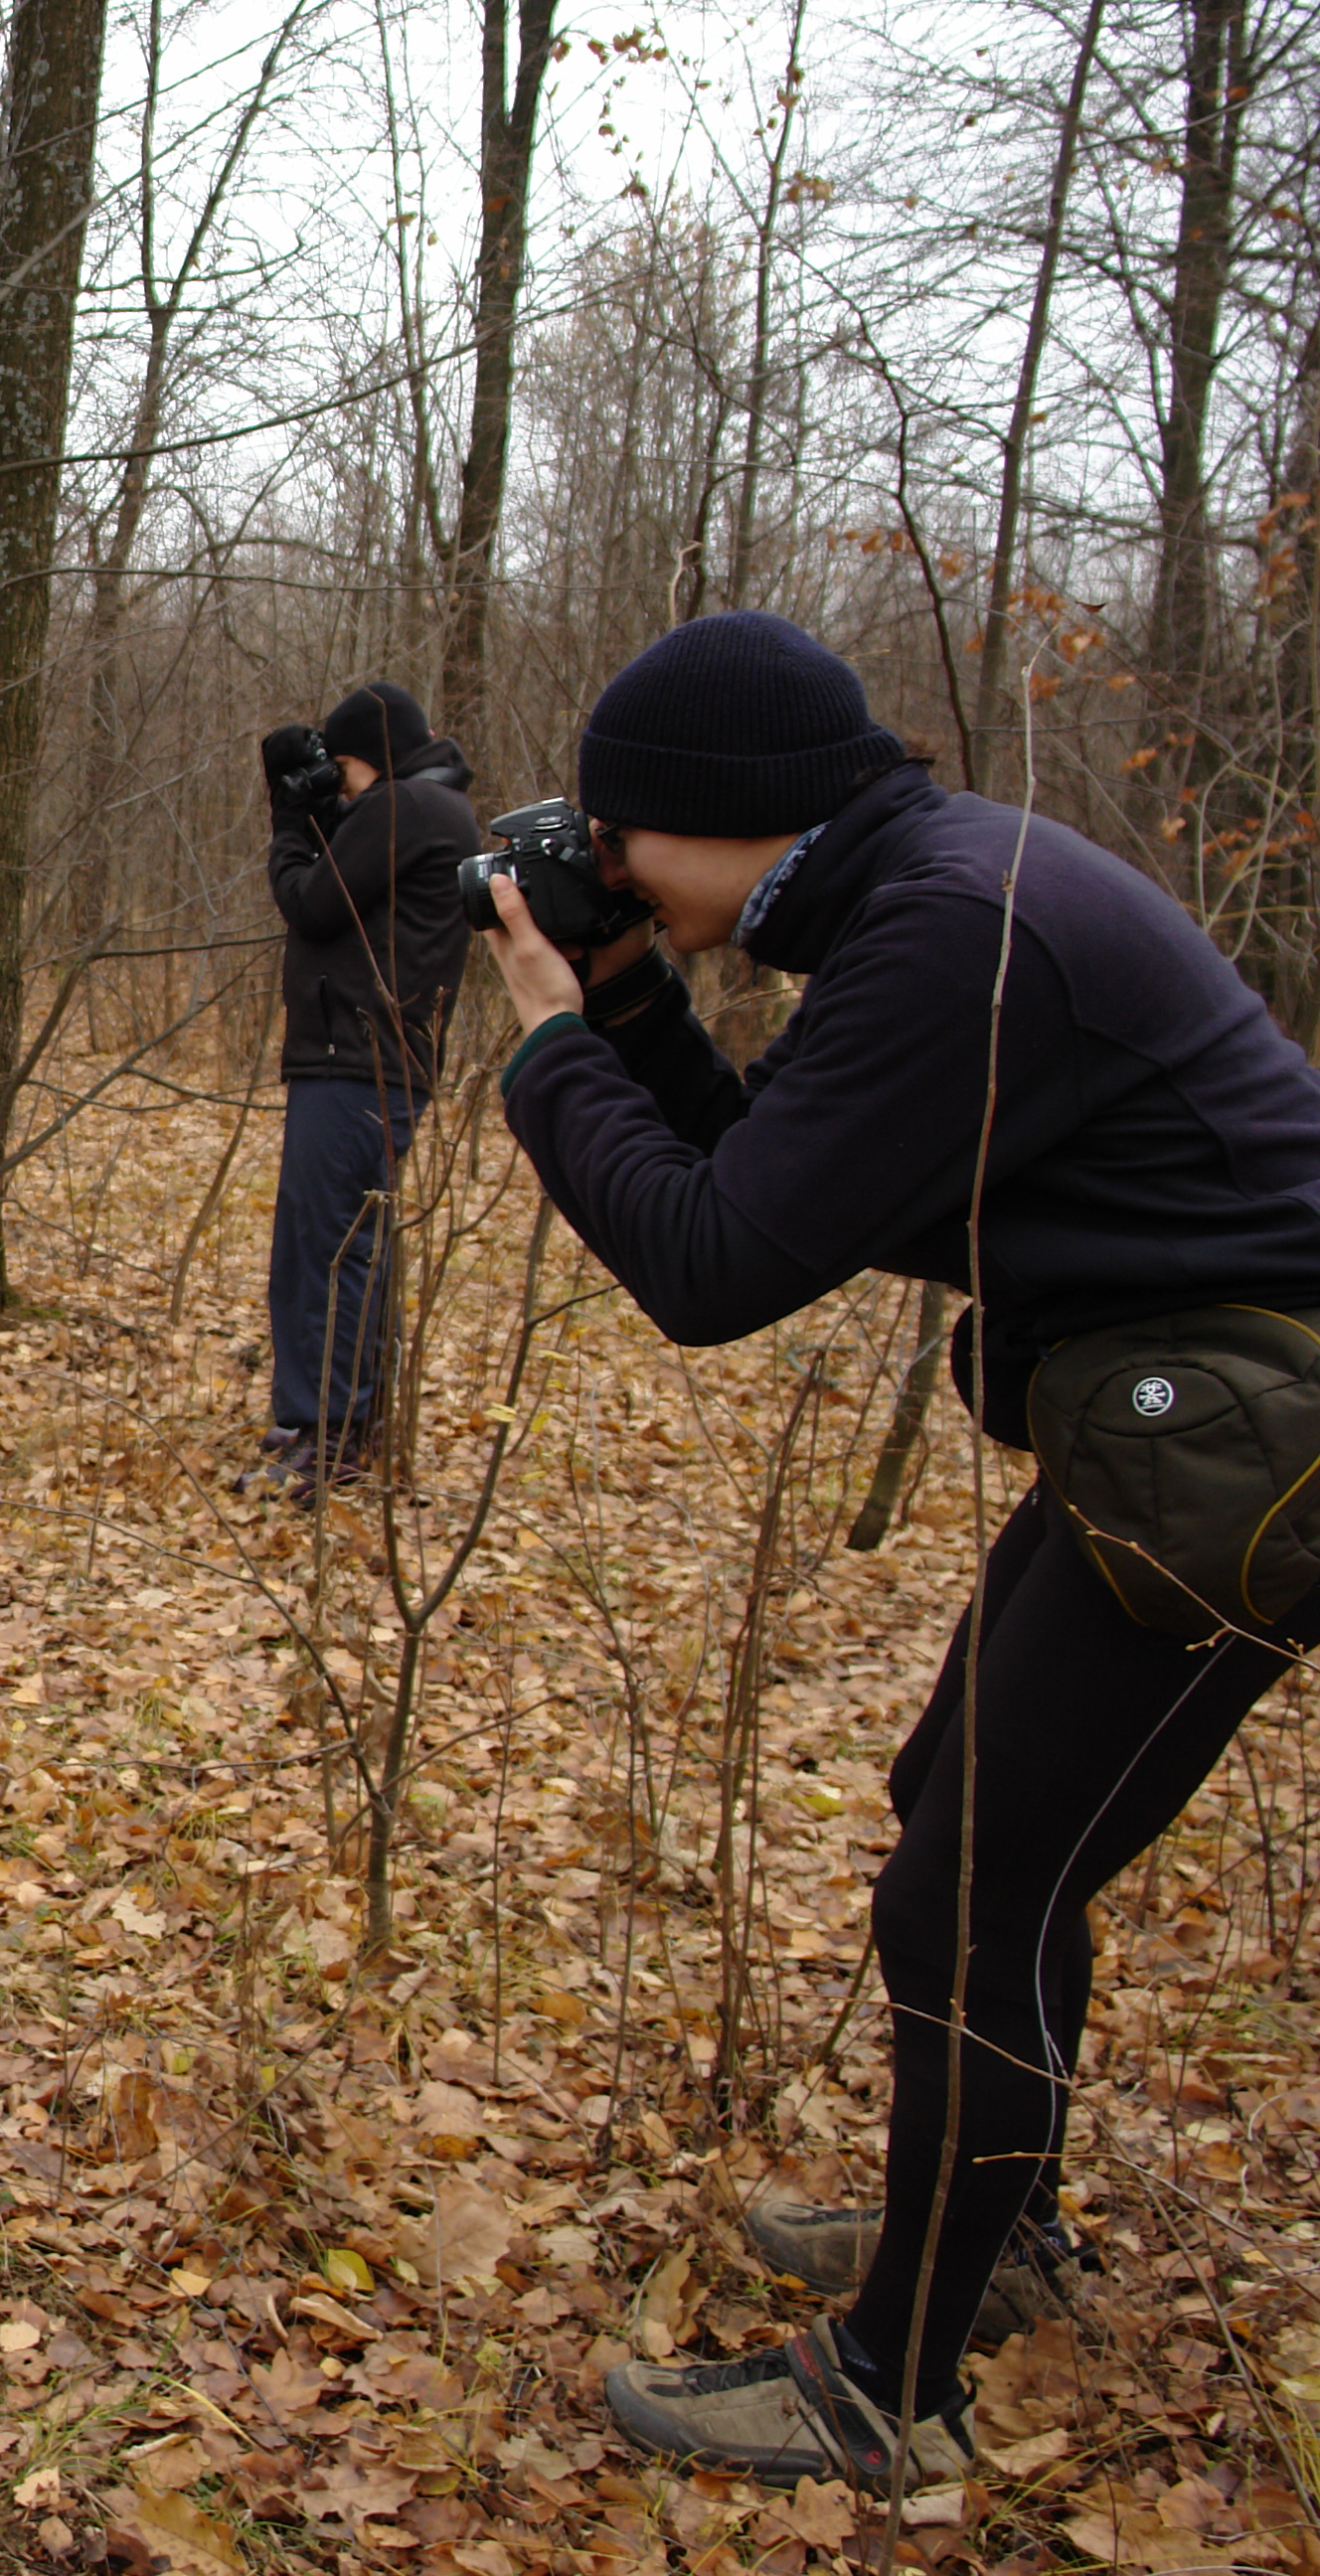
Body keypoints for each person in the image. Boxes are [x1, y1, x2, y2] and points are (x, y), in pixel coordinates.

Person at [477, 609, 1320, 2493]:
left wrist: (548, 1042)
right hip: (1186, 1420)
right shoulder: (925, 895)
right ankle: (993, 2245)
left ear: (729, 806)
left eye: (620, 837)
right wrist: (629, 1005)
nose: (606, 866)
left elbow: (709, 1266)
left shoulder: (952, 930)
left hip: (1246, 1440)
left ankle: (889, 2383)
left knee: (967, 1897)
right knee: (961, 1817)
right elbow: (778, 1184)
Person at [253, 680, 474, 1496]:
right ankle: (327, 1422)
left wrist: (289, 822)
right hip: (363, 1057)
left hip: (358, 1059)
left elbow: (313, 903)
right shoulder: (423, 809)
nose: (338, 788)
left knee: (330, 1249)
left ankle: (331, 1434)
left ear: (370, 758)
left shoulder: (406, 807)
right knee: (332, 1244)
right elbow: (349, 889)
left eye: (342, 770)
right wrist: (318, 815)